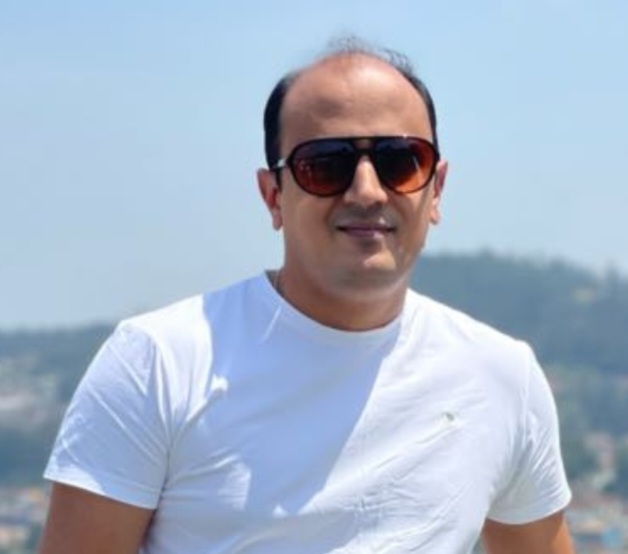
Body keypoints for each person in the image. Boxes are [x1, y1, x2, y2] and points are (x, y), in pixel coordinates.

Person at [38, 38, 574, 553]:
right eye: (326, 166)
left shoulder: (502, 377)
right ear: (273, 196)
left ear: (435, 189)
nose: (367, 190)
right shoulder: (159, 363)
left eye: (400, 161)